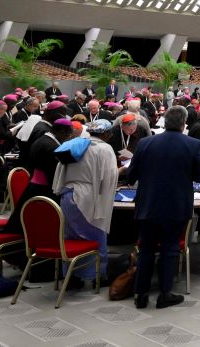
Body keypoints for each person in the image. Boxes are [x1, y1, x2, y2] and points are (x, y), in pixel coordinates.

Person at [124, 105, 200, 309]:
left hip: (148, 203)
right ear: (183, 124)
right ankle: (164, 294)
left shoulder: (144, 142)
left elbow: (131, 175)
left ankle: (140, 294)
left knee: (146, 249)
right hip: (176, 205)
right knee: (170, 249)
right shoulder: (193, 144)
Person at [51, 119, 118, 288]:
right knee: (96, 234)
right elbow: (109, 177)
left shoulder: (74, 144)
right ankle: (99, 276)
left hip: (67, 194)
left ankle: (72, 276)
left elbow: (60, 170)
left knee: (71, 236)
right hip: (89, 196)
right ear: (107, 134)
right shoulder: (104, 148)